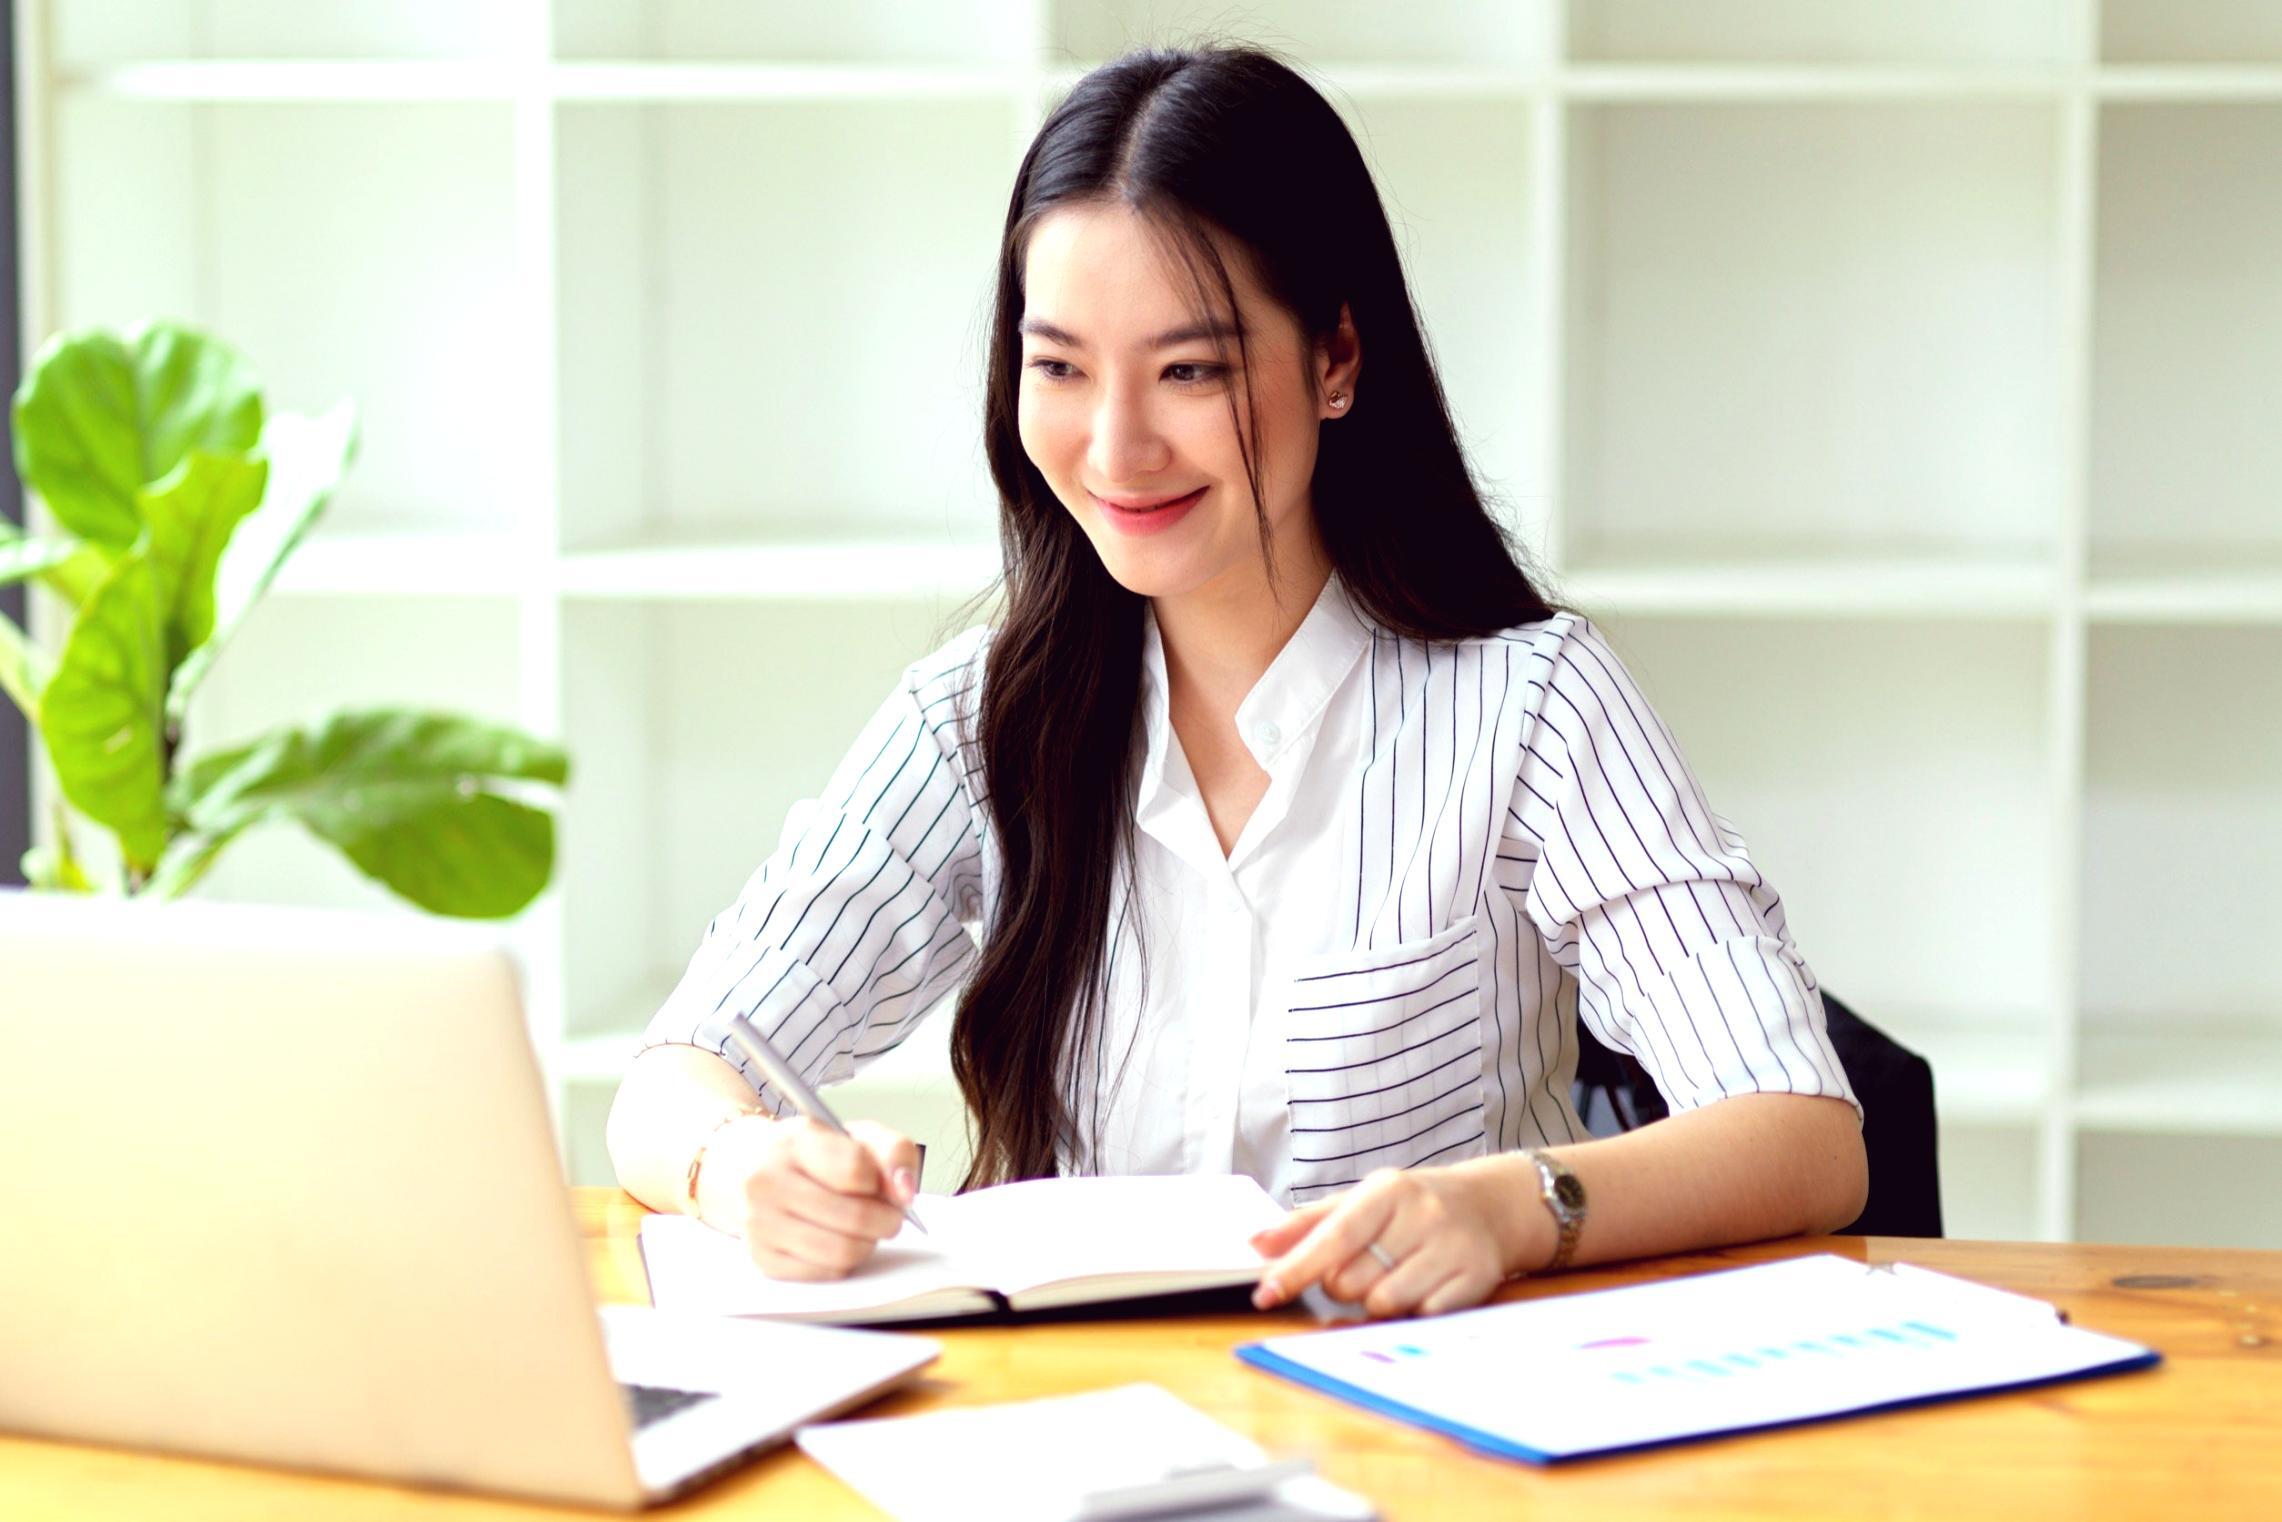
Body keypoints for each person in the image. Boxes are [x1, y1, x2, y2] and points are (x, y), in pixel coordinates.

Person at [607, 44, 1866, 1319]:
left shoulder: (1529, 708)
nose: (1115, 447)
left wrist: (1511, 1205)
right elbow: (674, 1076)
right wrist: (739, 1163)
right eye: (1060, 367)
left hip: (1426, 1428)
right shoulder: (975, 723)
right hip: (1091, 1424)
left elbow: (1803, 1134)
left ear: (1333, 360)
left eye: (1188, 371)